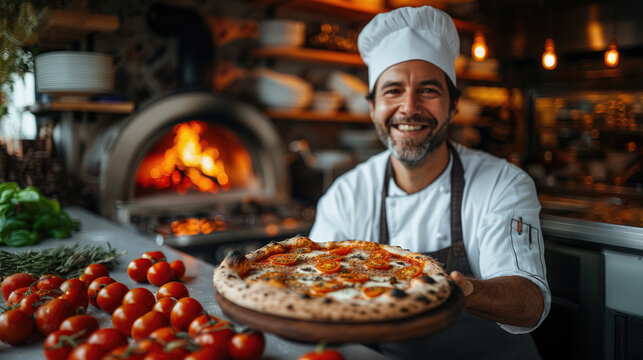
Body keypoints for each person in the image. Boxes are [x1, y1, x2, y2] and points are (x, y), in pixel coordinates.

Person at [309, 6, 550, 359]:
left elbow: (528, 302)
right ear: (373, 107)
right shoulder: (347, 194)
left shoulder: (502, 183)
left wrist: (457, 291)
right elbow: (312, 291)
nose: (409, 107)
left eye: (428, 90)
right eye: (392, 91)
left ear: (453, 106)